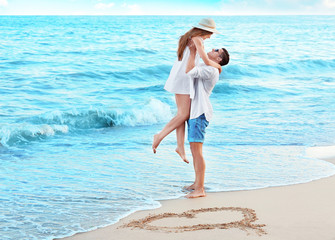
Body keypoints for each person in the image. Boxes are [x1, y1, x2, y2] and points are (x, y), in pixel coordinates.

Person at [152, 18, 222, 163]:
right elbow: (205, 60)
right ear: (205, 31)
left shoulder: (187, 37)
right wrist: (218, 67)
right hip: (183, 77)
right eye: (210, 34)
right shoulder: (197, 39)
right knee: (184, 114)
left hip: (180, 75)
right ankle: (159, 136)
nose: (210, 37)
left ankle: (180, 147)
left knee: (183, 114)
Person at [184, 43, 230, 198]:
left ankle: (200, 189)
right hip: (196, 113)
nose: (212, 49)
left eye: (216, 50)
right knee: (194, 151)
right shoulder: (209, 67)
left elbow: (189, 70)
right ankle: (197, 184)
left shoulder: (211, 70)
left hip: (199, 113)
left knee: (197, 152)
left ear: (219, 58)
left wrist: (192, 52)